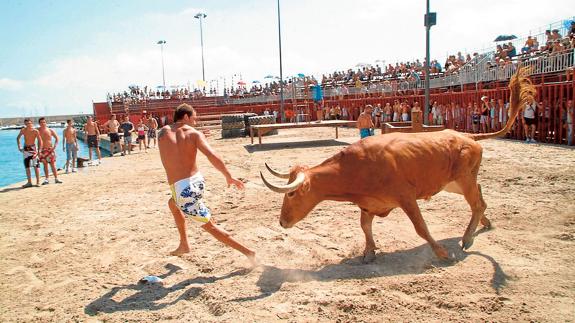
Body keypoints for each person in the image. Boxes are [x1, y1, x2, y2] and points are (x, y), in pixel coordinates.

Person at [157, 103, 256, 265]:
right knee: (173, 204)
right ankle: (184, 244)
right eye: (194, 117)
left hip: (183, 189)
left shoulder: (162, 132)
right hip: (196, 182)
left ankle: (249, 252)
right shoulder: (194, 134)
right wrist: (228, 175)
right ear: (186, 116)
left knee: (209, 227)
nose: (195, 121)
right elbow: (211, 155)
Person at [16, 118, 42, 188]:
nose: (28, 125)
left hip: (33, 149)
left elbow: (40, 141)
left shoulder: (35, 131)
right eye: (26, 124)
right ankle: (29, 182)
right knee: (27, 166)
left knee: (36, 166)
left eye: (29, 123)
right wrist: (19, 147)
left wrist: (39, 151)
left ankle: (38, 182)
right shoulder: (23, 130)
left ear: (32, 123)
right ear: (25, 124)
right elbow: (18, 138)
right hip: (26, 149)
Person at [37, 117, 62, 185]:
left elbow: (57, 138)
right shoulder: (37, 131)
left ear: (46, 123)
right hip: (42, 150)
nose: (43, 123)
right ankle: (47, 179)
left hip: (50, 150)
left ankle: (56, 178)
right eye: (41, 122)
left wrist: (54, 147)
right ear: (39, 123)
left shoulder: (50, 130)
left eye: (44, 122)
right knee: (45, 165)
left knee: (53, 165)